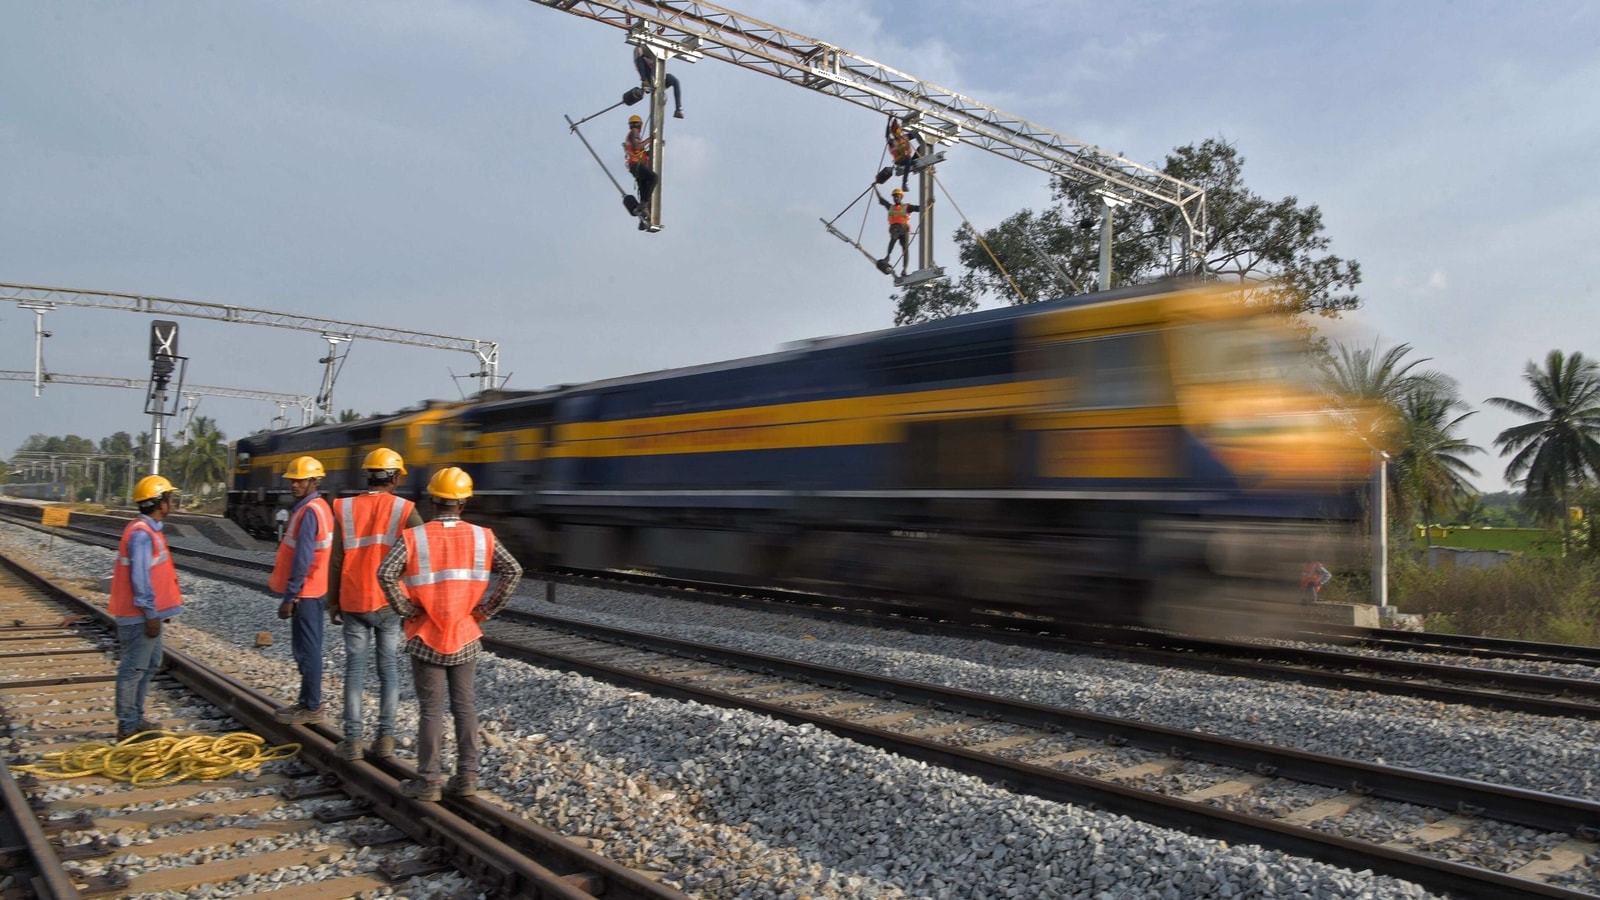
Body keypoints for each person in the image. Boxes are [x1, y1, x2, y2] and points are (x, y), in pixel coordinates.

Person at [378, 467, 522, 802]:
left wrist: (406, 608)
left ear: (432, 500)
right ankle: (467, 777)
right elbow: (513, 570)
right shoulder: (482, 536)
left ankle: (428, 781)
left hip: (426, 634)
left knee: (431, 709)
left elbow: (385, 572)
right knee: (465, 706)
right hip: (465, 632)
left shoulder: (416, 537)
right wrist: (486, 610)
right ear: (464, 502)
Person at [328, 448, 423, 761]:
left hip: (354, 598)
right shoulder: (404, 509)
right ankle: (385, 738)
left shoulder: (344, 508)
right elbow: (421, 552)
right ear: (394, 478)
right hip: (389, 602)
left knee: (354, 670)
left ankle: (353, 740)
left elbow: (336, 559)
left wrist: (333, 601)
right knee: (389, 670)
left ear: (368, 475)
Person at [110, 475, 185, 742]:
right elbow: (140, 578)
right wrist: (151, 614)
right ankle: (127, 727)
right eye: (169, 498)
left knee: (150, 664)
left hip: (148, 615)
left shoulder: (148, 529)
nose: (171, 502)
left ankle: (136, 719)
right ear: (160, 503)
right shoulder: (142, 534)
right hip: (140, 616)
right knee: (133, 670)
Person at [269, 456, 335, 724]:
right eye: (292, 480)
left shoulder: (309, 512)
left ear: (314, 481)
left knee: (307, 650)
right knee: (310, 648)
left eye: (300, 480)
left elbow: (303, 559)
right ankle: (308, 702)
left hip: (306, 592)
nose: (294, 484)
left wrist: (290, 596)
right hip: (316, 588)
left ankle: (312, 705)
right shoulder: (319, 507)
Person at [874, 186, 927, 277]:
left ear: (901, 197)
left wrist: (927, 204)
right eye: (894, 197)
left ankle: (904, 269)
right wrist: (875, 188)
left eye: (897, 196)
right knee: (894, 237)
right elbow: (881, 200)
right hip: (894, 227)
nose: (895, 198)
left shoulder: (906, 207)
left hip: (904, 228)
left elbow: (918, 208)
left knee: (905, 248)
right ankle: (888, 256)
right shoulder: (890, 207)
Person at [633, 42, 684, 119]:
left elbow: (659, 45)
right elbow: (638, 56)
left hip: (660, 75)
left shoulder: (653, 54)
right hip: (649, 76)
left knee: (675, 81)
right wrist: (644, 80)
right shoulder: (640, 58)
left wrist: (660, 34)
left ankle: (678, 109)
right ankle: (645, 82)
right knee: (639, 57)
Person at [624, 114, 657, 230]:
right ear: (639, 125)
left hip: (636, 166)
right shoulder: (634, 133)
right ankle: (644, 205)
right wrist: (650, 139)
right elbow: (637, 146)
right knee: (653, 178)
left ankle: (643, 220)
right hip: (636, 165)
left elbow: (639, 151)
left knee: (644, 190)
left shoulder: (631, 134)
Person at [885, 115, 924, 191]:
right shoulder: (892, 142)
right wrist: (889, 121)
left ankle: (916, 165)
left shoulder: (905, 137)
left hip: (908, 159)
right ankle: (904, 183)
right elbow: (886, 136)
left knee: (922, 147)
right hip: (900, 161)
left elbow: (915, 133)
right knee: (909, 160)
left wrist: (914, 124)